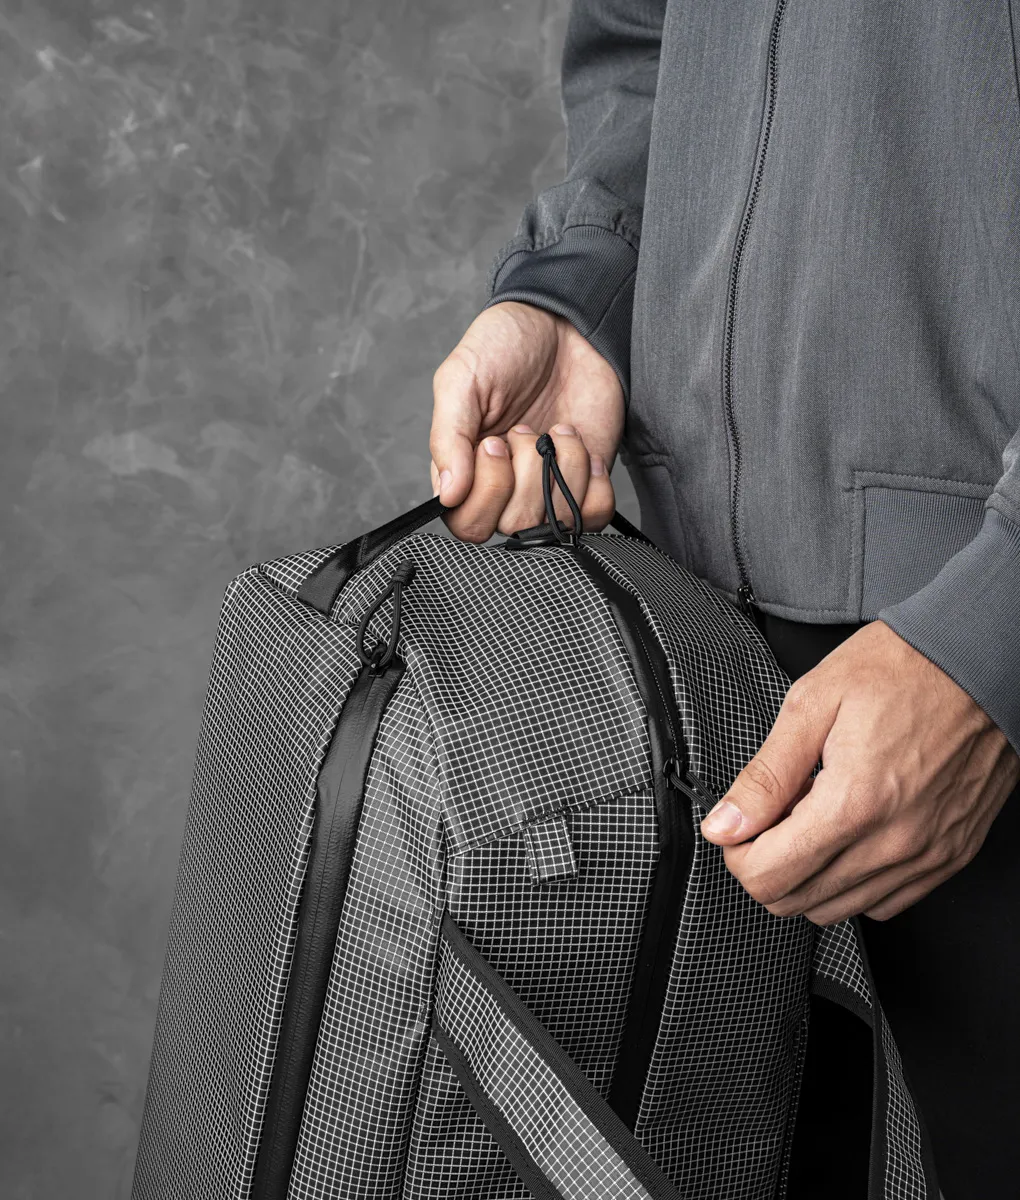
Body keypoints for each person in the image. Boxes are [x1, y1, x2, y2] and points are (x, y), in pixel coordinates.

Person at [426, 2, 1020, 1196]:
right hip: (707, 647)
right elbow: (643, 36)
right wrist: (585, 283)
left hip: (971, 697)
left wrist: (993, 634)